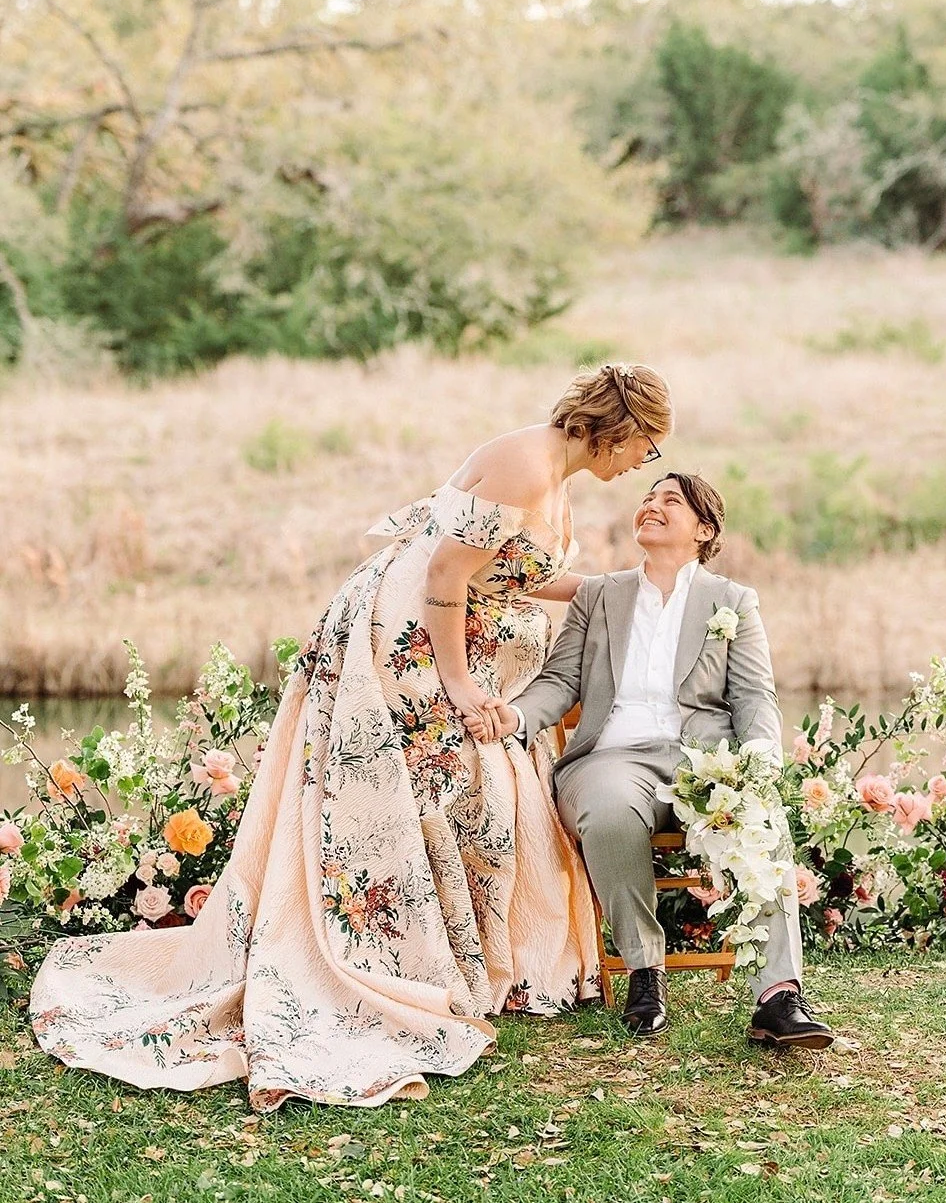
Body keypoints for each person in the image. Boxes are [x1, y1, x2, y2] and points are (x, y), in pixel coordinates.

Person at [29, 363, 673, 1110]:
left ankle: (457, 957)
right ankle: (390, 957)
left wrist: (611, 587)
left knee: (455, 795)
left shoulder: (548, 473)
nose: (638, 467)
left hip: (441, 640)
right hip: (409, 643)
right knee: (423, 790)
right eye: (645, 448)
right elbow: (444, 575)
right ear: (620, 427)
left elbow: (507, 574)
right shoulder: (525, 464)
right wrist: (460, 683)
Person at [467, 472, 834, 1047]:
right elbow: (561, 679)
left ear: (703, 529)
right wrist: (517, 716)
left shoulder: (732, 602)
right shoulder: (599, 594)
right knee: (611, 811)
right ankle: (645, 971)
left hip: (704, 760)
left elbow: (754, 697)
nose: (652, 506)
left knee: (760, 820)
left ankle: (779, 997)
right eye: (648, 497)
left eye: (671, 501)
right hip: (613, 758)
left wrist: (757, 763)